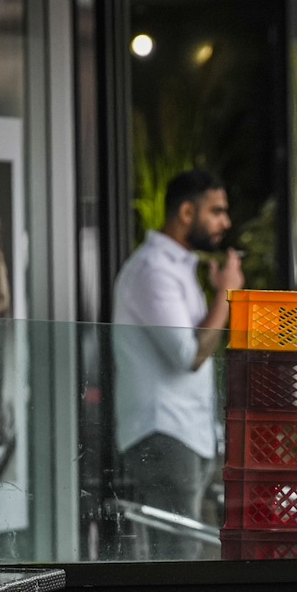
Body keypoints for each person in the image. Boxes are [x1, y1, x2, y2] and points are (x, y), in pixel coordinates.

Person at [111, 168, 244, 557]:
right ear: (187, 212)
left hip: (189, 433)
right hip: (164, 434)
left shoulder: (178, 268)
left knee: (195, 554)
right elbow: (190, 354)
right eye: (216, 211)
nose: (226, 222)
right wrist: (227, 295)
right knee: (180, 558)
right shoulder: (153, 270)